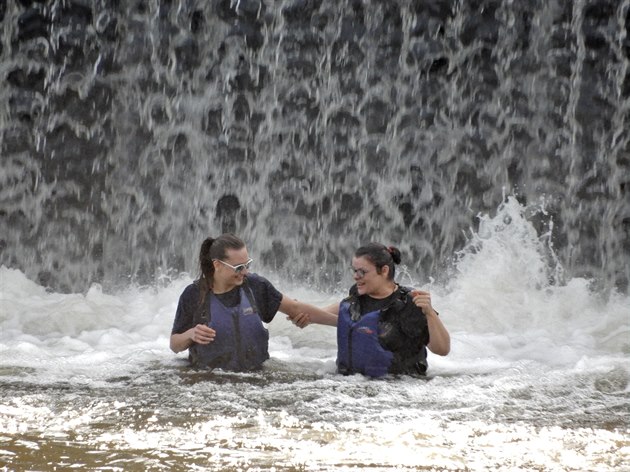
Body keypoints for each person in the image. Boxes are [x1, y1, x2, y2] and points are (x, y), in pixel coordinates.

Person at [170, 233, 331, 371]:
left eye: (247, 264)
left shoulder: (255, 285)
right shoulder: (193, 294)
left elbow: (295, 308)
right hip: (210, 381)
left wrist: (344, 321)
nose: (245, 271)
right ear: (217, 265)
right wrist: (191, 334)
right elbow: (175, 345)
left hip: (255, 380)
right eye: (239, 267)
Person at [294, 243, 450, 378]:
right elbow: (344, 310)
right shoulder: (358, 293)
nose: (356, 276)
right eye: (354, 271)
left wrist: (429, 313)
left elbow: (442, 349)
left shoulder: (410, 304)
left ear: (384, 271)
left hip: (398, 389)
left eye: (362, 272)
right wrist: (309, 316)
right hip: (352, 384)